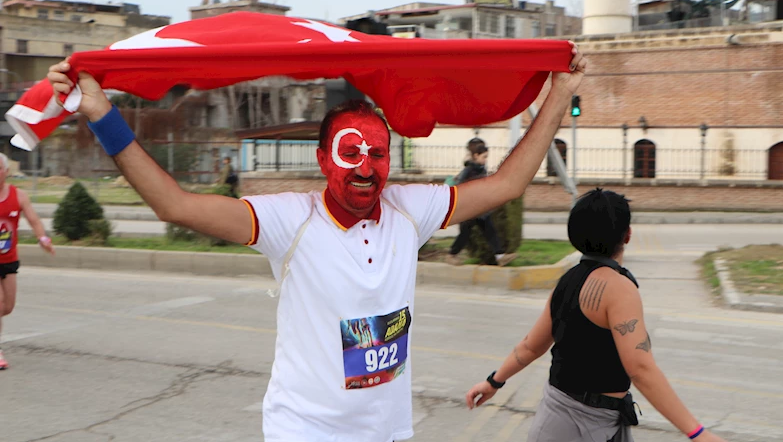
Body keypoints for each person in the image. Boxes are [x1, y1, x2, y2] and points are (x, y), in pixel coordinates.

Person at [46, 42, 586, 442]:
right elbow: (176, 206)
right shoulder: (290, 220)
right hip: (305, 431)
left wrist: (559, 93)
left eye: (377, 154)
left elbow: (508, 184)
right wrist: (101, 115)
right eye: (351, 153)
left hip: (387, 430)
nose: (366, 168)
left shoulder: (409, 210)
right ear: (324, 159)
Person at [465, 188, 728, 442]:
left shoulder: (567, 280)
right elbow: (640, 368)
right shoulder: (618, 288)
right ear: (627, 234)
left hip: (560, 418)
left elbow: (531, 346)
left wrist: (493, 382)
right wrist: (697, 433)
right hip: (581, 427)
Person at [0, 153, 56, 370]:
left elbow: (34, 220)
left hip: (9, 259)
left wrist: (43, 239)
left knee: (8, 307)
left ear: (6, 171)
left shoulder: (19, 195)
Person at [447, 138, 517, 266]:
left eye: (486, 157)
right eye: (484, 157)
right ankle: (451, 255)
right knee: (465, 233)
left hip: (480, 209)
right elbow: (460, 187)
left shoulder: (481, 169)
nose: (486, 160)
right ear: (476, 156)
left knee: (490, 231)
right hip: (469, 209)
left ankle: (500, 256)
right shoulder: (468, 170)